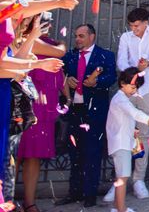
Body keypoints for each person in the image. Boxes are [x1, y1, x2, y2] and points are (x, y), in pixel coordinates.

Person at [109, 8, 149, 201]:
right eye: (131, 26)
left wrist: (148, 64)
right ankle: (119, 180)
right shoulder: (126, 37)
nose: (134, 29)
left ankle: (138, 179)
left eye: (137, 26)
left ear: (145, 23)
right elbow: (121, 60)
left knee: (143, 133)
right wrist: (134, 72)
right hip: (129, 88)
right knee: (122, 131)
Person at [56, 24, 117, 208]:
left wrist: (96, 81)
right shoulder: (70, 56)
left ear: (92, 36)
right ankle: (74, 192)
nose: (78, 39)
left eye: (81, 36)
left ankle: (90, 194)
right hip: (75, 111)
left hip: (95, 112)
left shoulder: (105, 55)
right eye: (76, 36)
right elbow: (59, 74)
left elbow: (111, 77)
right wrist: (67, 81)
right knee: (75, 153)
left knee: (93, 152)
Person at [17, 17, 68, 212]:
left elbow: (60, 76)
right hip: (24, 106)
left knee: (33, 156)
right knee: (15, 155)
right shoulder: (28, 42)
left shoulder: (46, 43)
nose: (47, 25)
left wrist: (67, 98)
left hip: (43, 110)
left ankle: (29, 203)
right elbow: (60, 51)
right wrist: (61, 44)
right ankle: (9, 201)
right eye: (42, 21)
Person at [106, 67, 149, 212]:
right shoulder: (121, 99)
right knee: (123, 177)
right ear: (123, 83)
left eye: (136, 88)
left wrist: (132, 129)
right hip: (120, 143)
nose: (134, 91)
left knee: (120, 177)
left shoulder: (120, 98)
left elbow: (121, 120)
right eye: (133, 87)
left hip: (121, 142)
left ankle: (117, 207)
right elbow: (133, 113)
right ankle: (121, 209)